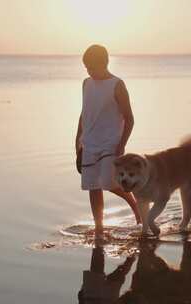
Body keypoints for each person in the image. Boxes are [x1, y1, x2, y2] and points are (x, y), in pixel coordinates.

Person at [75, 44, 141, 238]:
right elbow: (84, 113)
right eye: (86, 67)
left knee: (109, 182)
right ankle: (99, 228)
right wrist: (77, 140)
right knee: (93, 187)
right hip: (89, 142)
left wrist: (121, 145)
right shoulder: (86, 83)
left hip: (110, 143)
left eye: (91, 66)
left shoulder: (117, 85)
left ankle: (136, 207)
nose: (88, 70)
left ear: (103, 63)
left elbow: (129, 118)